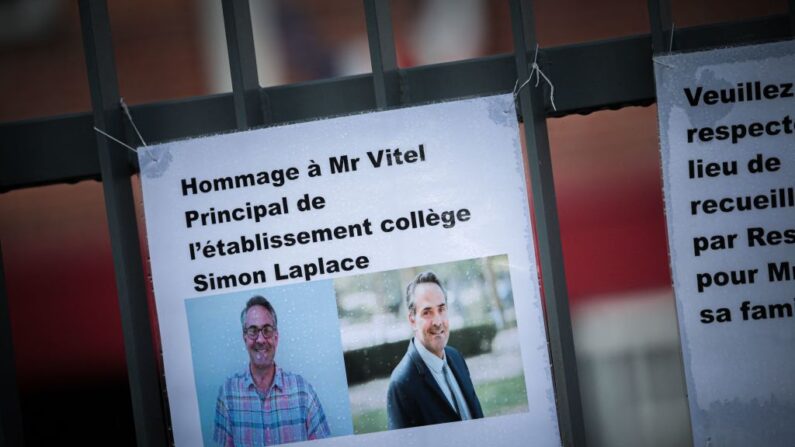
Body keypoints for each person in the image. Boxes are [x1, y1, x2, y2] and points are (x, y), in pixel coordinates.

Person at [214, 296, 330, 446]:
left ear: (276, 337)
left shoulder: (303, 391)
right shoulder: (227, 393)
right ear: (245, 338)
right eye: (253, 330)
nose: (260, 340)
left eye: (267, 330)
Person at [386, 271, 484, 429]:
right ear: (412, 320)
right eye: (427, 312)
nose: (438, 321)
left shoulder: (456, 357)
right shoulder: (401, 384)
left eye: (441, 309)